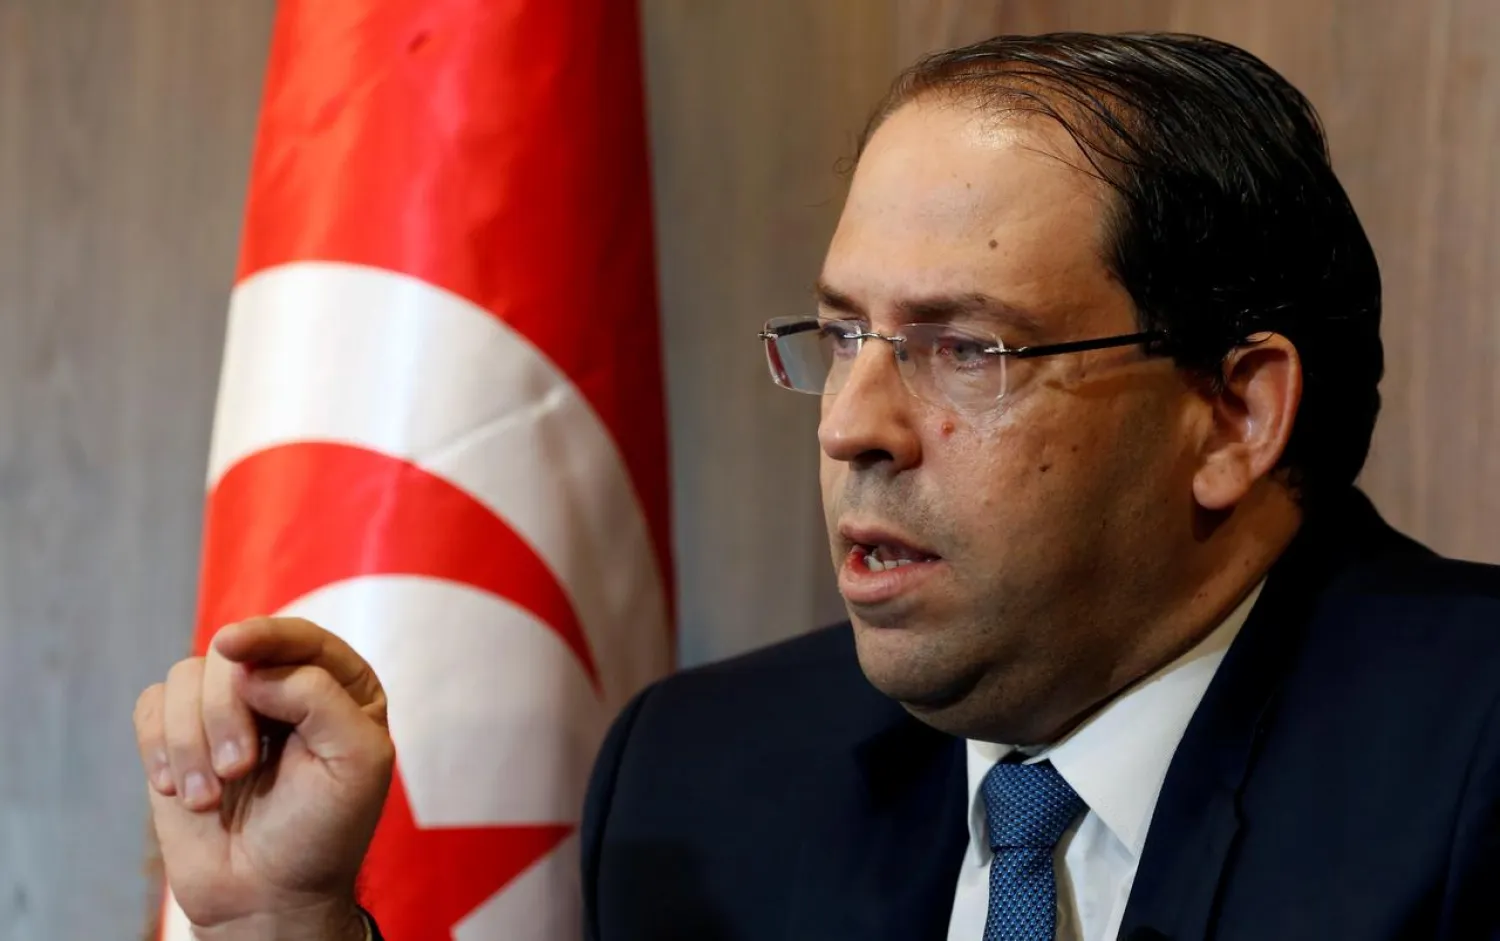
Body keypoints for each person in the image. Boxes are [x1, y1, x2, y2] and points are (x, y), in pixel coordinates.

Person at [133, 31, 1500, 941]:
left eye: (966, 349)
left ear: (1234, 414)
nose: (854, 424)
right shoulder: (710, 780)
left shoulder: (1470, 756)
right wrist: (284, 928)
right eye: (844, 336)